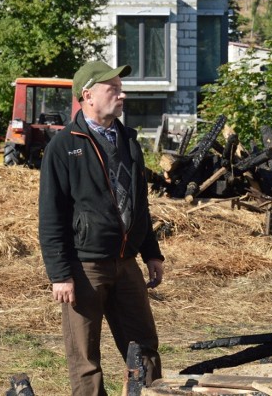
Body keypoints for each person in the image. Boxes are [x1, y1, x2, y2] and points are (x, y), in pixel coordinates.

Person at [38, 60, 164, 395]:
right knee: (85, 359)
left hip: (126, 264)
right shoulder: (64, 147)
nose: (122, 95)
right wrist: (59, 274)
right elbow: (51, 214)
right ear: (88, 95)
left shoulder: (129, 140)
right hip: (84, 268)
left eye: (121, 89)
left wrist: (152, 252)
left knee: (145, 350)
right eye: (114, 89)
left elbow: (140, 205)